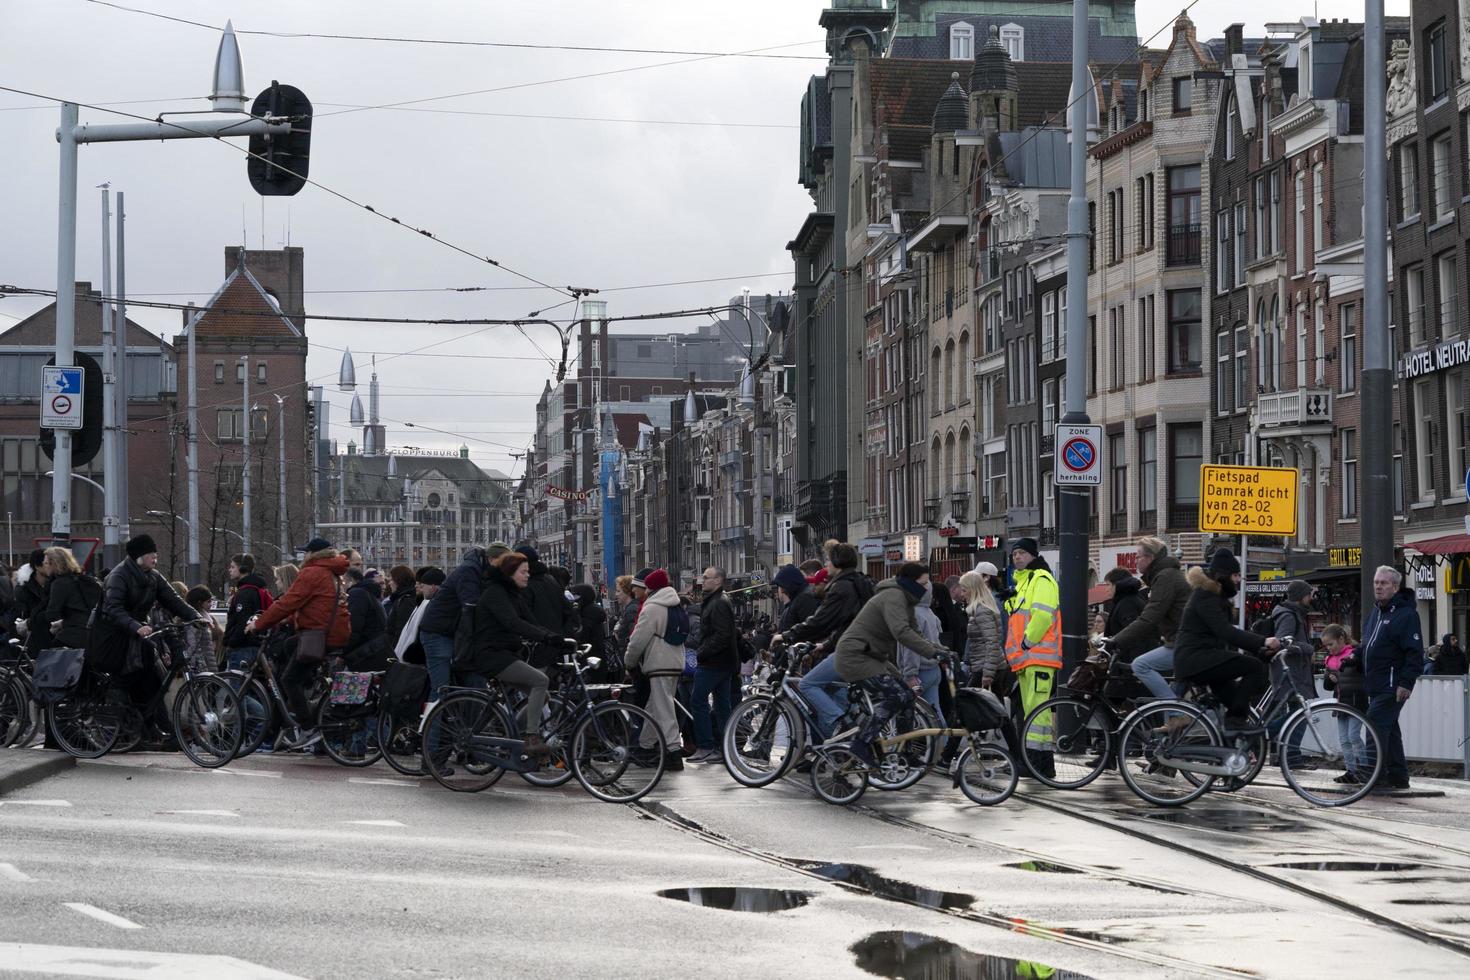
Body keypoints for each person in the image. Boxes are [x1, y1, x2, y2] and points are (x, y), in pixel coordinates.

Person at [834, 562, 948, 768]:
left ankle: (905, 750)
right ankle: (862, 743)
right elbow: (902, 632)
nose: (926, 587)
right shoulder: (893, 597)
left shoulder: (907, 601)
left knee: (908, 696)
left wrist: (942, 651)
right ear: (911, 583)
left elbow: (916, 634)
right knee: (897, 695)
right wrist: (933, 653)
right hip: (856, 656)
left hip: (872, 656)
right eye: (923, 583)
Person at [467, 551, 575, 761]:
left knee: (542, 695)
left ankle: (513, 735)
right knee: (540, 680)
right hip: (491, 654)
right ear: (510, 573)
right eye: (523, 572)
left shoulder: (513, 593)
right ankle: (531, 737)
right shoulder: (495, 593)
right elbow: (513, 623)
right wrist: (547, 638)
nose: (528, 575)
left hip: (504, 652)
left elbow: (531, 621)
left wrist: (557, 639)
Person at [93, 535, 201, 745]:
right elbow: (113, 609)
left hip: (140, 636)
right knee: (124, 680)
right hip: (115, 637)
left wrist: (196, 617)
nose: (155, 557)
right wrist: (135, 626)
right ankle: (120, 733)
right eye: (151, 554)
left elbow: (173, 600)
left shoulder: (153, 577)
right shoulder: (118, 576)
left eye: (155, 554)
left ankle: (152, 730)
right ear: (139, 556)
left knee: (154, 681)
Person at [247, 538, 350, 747]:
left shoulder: (312, 572)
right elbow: (312, 606)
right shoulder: (332, 573)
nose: (303, 557)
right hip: (333, 633)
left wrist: (259, 624)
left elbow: (288, 602)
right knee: (289, 646)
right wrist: (283, 620)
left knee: (289, 679)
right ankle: (305, 693)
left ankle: (307, 727)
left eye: (306, 552)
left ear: (314, 554)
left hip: (319, 636)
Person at [1173, 549, 1281, 729]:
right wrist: (1263, 641)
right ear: (1222, 576)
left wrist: (1260, 651)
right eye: (1235, 575)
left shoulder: (1215, 597)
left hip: (1204, 659)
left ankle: (1232, 747)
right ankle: (1235, 722)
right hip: (1195, 660)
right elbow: (1226, 632)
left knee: (1237, 702)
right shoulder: (1206, 597)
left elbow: (1226, 638)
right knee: (1253, 668)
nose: (1239, 579)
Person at [775, 544, 875, 740]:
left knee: (807, 685)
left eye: (829, 560)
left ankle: (841, 723)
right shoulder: (859, 582)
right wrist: (825, 646)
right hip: (865, 646)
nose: (826, 565)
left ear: (837, 562)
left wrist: (787, 635)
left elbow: (822, 621)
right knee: (831, 689)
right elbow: (847, 624)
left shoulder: (842, 587)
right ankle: (832, 745)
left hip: (851, 650)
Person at [1360, 566, 1424, 791]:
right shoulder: (1376, 612)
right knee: (1390, 731)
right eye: (1376, 582)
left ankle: (1374, 777)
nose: (1378, 586)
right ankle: (1398, 776)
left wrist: (1406, 682)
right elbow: (1368, 645)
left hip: (1391, 685)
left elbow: (1415, 652)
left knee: (1374, 727)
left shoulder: (1406, 615)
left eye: (1384, 583)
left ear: (1395, 587)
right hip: (1376, 684)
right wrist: (1354, 656)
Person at [1004, 538, 1063, 777]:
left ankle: (1039, 764)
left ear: (1032, 555)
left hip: (1038, 656)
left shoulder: (1041, 579)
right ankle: (1035, 763)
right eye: (1014, 554)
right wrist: (1008, 599)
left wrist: (1027, 642)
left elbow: (1042, 616)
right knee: (1032, 714)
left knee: (1038, 713)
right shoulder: (1025, 582)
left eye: (1021, 553)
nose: (1017, 557)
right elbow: (1018, 615)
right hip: (1028, 658)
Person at [621, 568, 686, 770]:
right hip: (674, 663)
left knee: (664, 709)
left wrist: (629, 662)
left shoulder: (652, 608)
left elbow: (638, 640)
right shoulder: (675, 605)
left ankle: (674, 752)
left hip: (658, 663)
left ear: (650, 588)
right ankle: (645, 746)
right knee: (654, 707)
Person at [1113, 537, 1190, 700]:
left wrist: (1117, 640)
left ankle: (1178, 714)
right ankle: (1175, 715)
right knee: (1171, 699)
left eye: (1138, 556)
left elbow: (1149, 618)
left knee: (1140, 665)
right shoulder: (1166, 575)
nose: (1135, 561)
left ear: (1150, 558)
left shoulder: (1165, 578)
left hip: (1185, 644)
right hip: (1182, 641)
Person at [417, 546, 496, 700]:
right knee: (442, 689)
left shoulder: (474, 571)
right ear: (490, 559)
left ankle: (455, 719)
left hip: (445, 632)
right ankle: (430, 722)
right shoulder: (469, 571)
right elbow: (471, 605)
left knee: (456, 686)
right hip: (439, 633)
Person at [689, 566, 738, 763]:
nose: (703, 581)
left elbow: (723, 634)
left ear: (718, 580)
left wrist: (702, 652)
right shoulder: (718, 601)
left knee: (698, 700)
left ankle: (705, 745)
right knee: (722, 705)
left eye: (707, 578)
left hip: (713, 662)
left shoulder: (718, 603)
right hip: (723, 662)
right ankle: (726, 747)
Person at [515, 544, 579, 669]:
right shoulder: (551, 580)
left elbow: (522, 616)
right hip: (555, 643)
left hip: (537, 645)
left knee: (535, 683)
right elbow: (567, 610)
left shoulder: (526, 585)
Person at [1320, 624, 1367, 784]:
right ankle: (1351, 770)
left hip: (1356, 701)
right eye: (1326, 646)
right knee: (1344, 739)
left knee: (1353, 736)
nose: (1328, 648)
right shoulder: (1330, 660)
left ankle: (1365, 768)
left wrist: (1352, 662)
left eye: (1330, 644)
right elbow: (1328, 686)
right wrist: (1329, 679)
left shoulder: (1354, 653)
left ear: (1341, 640)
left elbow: (1360, 668)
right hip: (1340, 702)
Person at [897, 582, 945, 726]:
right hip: (933, 669)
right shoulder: (930, 614)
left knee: (902, 713)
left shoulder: (913, 614)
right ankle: (945, 745)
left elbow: (911, 647)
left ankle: (897, 746)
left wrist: (910, 674)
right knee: (934, 714)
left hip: (919, 672)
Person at [41, 546, 101, 650]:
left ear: (54, 564)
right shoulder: (80, 579)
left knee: (50, 656)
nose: (44, 566)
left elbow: (51, 613)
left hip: (73, 635)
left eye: (46, 563)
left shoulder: (59, 583)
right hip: (93, 633)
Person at [222, 554, 272, 673]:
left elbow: (243, 622)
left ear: (243, 568)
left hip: (243, 648)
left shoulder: (245, 593)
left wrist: (231, 642)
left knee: (238, 689)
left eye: (233, 567)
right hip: (257, 646)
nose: (230, 569)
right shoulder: (258, 589)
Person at [1271, 581, 1318, 696]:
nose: (1310, 598)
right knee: (1293, 712)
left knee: (1294, 712)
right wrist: (1309, 649)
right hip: (1291, 675)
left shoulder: (1294, 614)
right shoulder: (1289, 616)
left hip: (1294, 674)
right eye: (1308, 595)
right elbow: (1282, 642)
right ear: (1300, 596)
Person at [960, 569, 1005, 690]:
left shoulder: (981, 610)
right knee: (993, 704)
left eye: (964, 590)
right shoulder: (982, 608)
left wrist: (988, 673)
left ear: (973, 590)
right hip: (988, 665)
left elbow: (992, 642)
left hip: (985, 667)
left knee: (970, 702)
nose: (962, 594)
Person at [344, 566, 390, 669]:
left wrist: (343, 654)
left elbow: (354, 628)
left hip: (363, 654)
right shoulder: (368, 594)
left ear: (351, 581)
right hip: (373, 652)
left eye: (343, 581)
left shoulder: (356, 594)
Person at [179, 586, 222, 673]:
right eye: (208, 601)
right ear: (199, 603)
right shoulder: (196, 622)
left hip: (207, 664)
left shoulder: (207, 617)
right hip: (201, 667)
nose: (211, 604)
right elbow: (193, 647)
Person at [773, 564, 819, 633]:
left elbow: (809, 628)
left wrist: (787, 636)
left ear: (789, 584)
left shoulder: (805, 598)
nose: (782, 591)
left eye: (782, 587)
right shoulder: (799, 598)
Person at [1103, 567, 1146, 638]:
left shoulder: (1127, 603)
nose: (1106, 589)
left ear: (1116, 585)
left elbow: (1132, 633)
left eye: (1108, 584)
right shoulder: (1133, 598)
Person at [383, 565, 419, 647]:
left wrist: (393, 653)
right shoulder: (402, 598)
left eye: (391, 579)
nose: (389, 583)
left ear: (399, 580)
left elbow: (401, 631)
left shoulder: (406, 601)